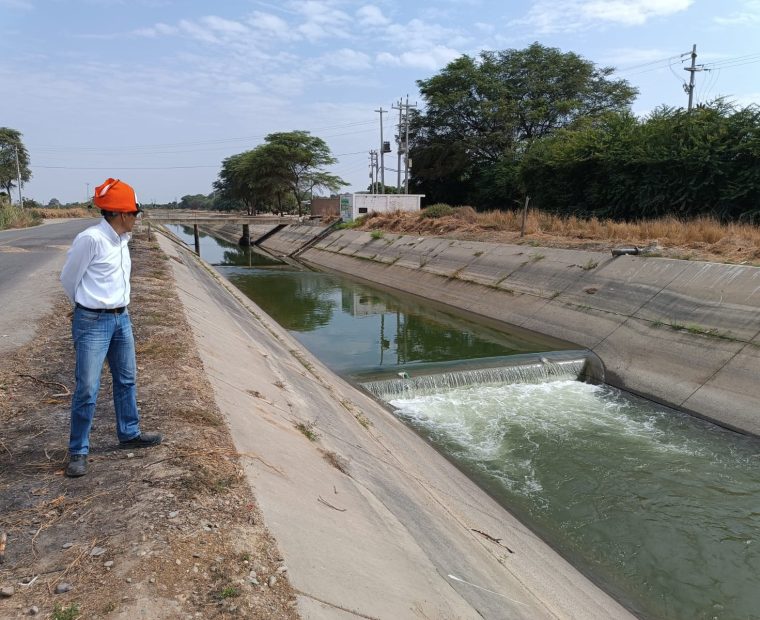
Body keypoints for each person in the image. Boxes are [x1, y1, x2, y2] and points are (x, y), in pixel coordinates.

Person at [60, 178, 161, 477]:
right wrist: (85, 307)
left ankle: (129, 432)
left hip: (122, 318)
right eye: (134, 213)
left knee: (127, 379)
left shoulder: (122, 240)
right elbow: (69, 278)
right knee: (88, 388)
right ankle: (78, 451)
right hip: (92, 321)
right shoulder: (91, 239)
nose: (136, 218)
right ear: (119, 214)